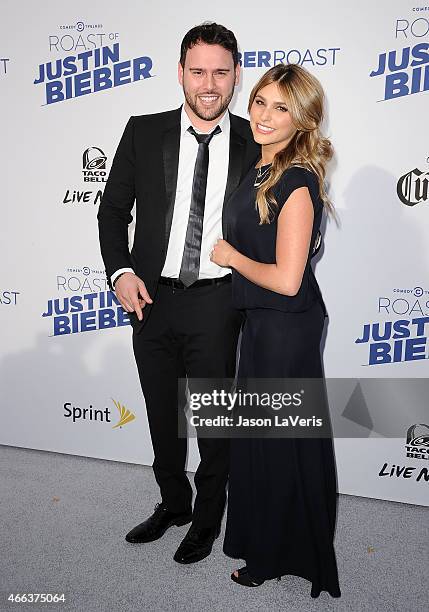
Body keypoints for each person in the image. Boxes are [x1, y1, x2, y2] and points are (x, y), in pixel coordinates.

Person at [97, 22, 260, 564]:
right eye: (198, 71)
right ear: (180, 74)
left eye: (220, 72)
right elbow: (113, 212)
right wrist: (120, 274)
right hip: (150, 298)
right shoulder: (143, 131)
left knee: (215, 423)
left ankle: (208, 520)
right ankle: (174, 502)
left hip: (218, 301)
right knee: (161, 414)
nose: (208, 84)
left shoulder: (257, 143)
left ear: (237, 75)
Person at [210, 63, 341, 597]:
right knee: (265, 442)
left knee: (280, 443)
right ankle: (269, 542)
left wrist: (231, 257)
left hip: (285, 327)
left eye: (280, 107)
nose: (263, 115)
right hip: (262, 325)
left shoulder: (297, 182)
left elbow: (288, 281)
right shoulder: (260, 168)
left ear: (302, 119)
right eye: (260, 101)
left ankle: (276, 554)